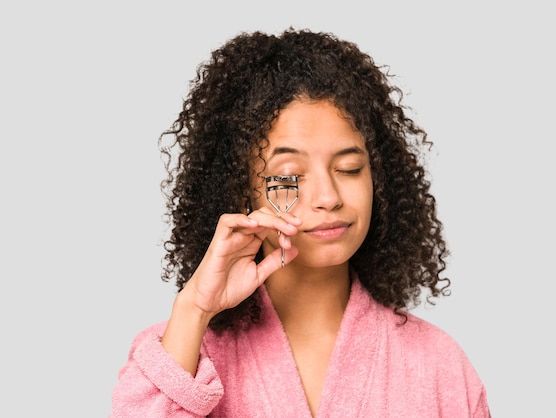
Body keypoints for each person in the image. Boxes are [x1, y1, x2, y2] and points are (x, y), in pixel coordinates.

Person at [110, 28, 491, 417]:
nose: (328, 197)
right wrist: (193, 309)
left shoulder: (439, 366)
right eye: (288, 175)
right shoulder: (183, 354)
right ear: (240, 191)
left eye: (349, 168)